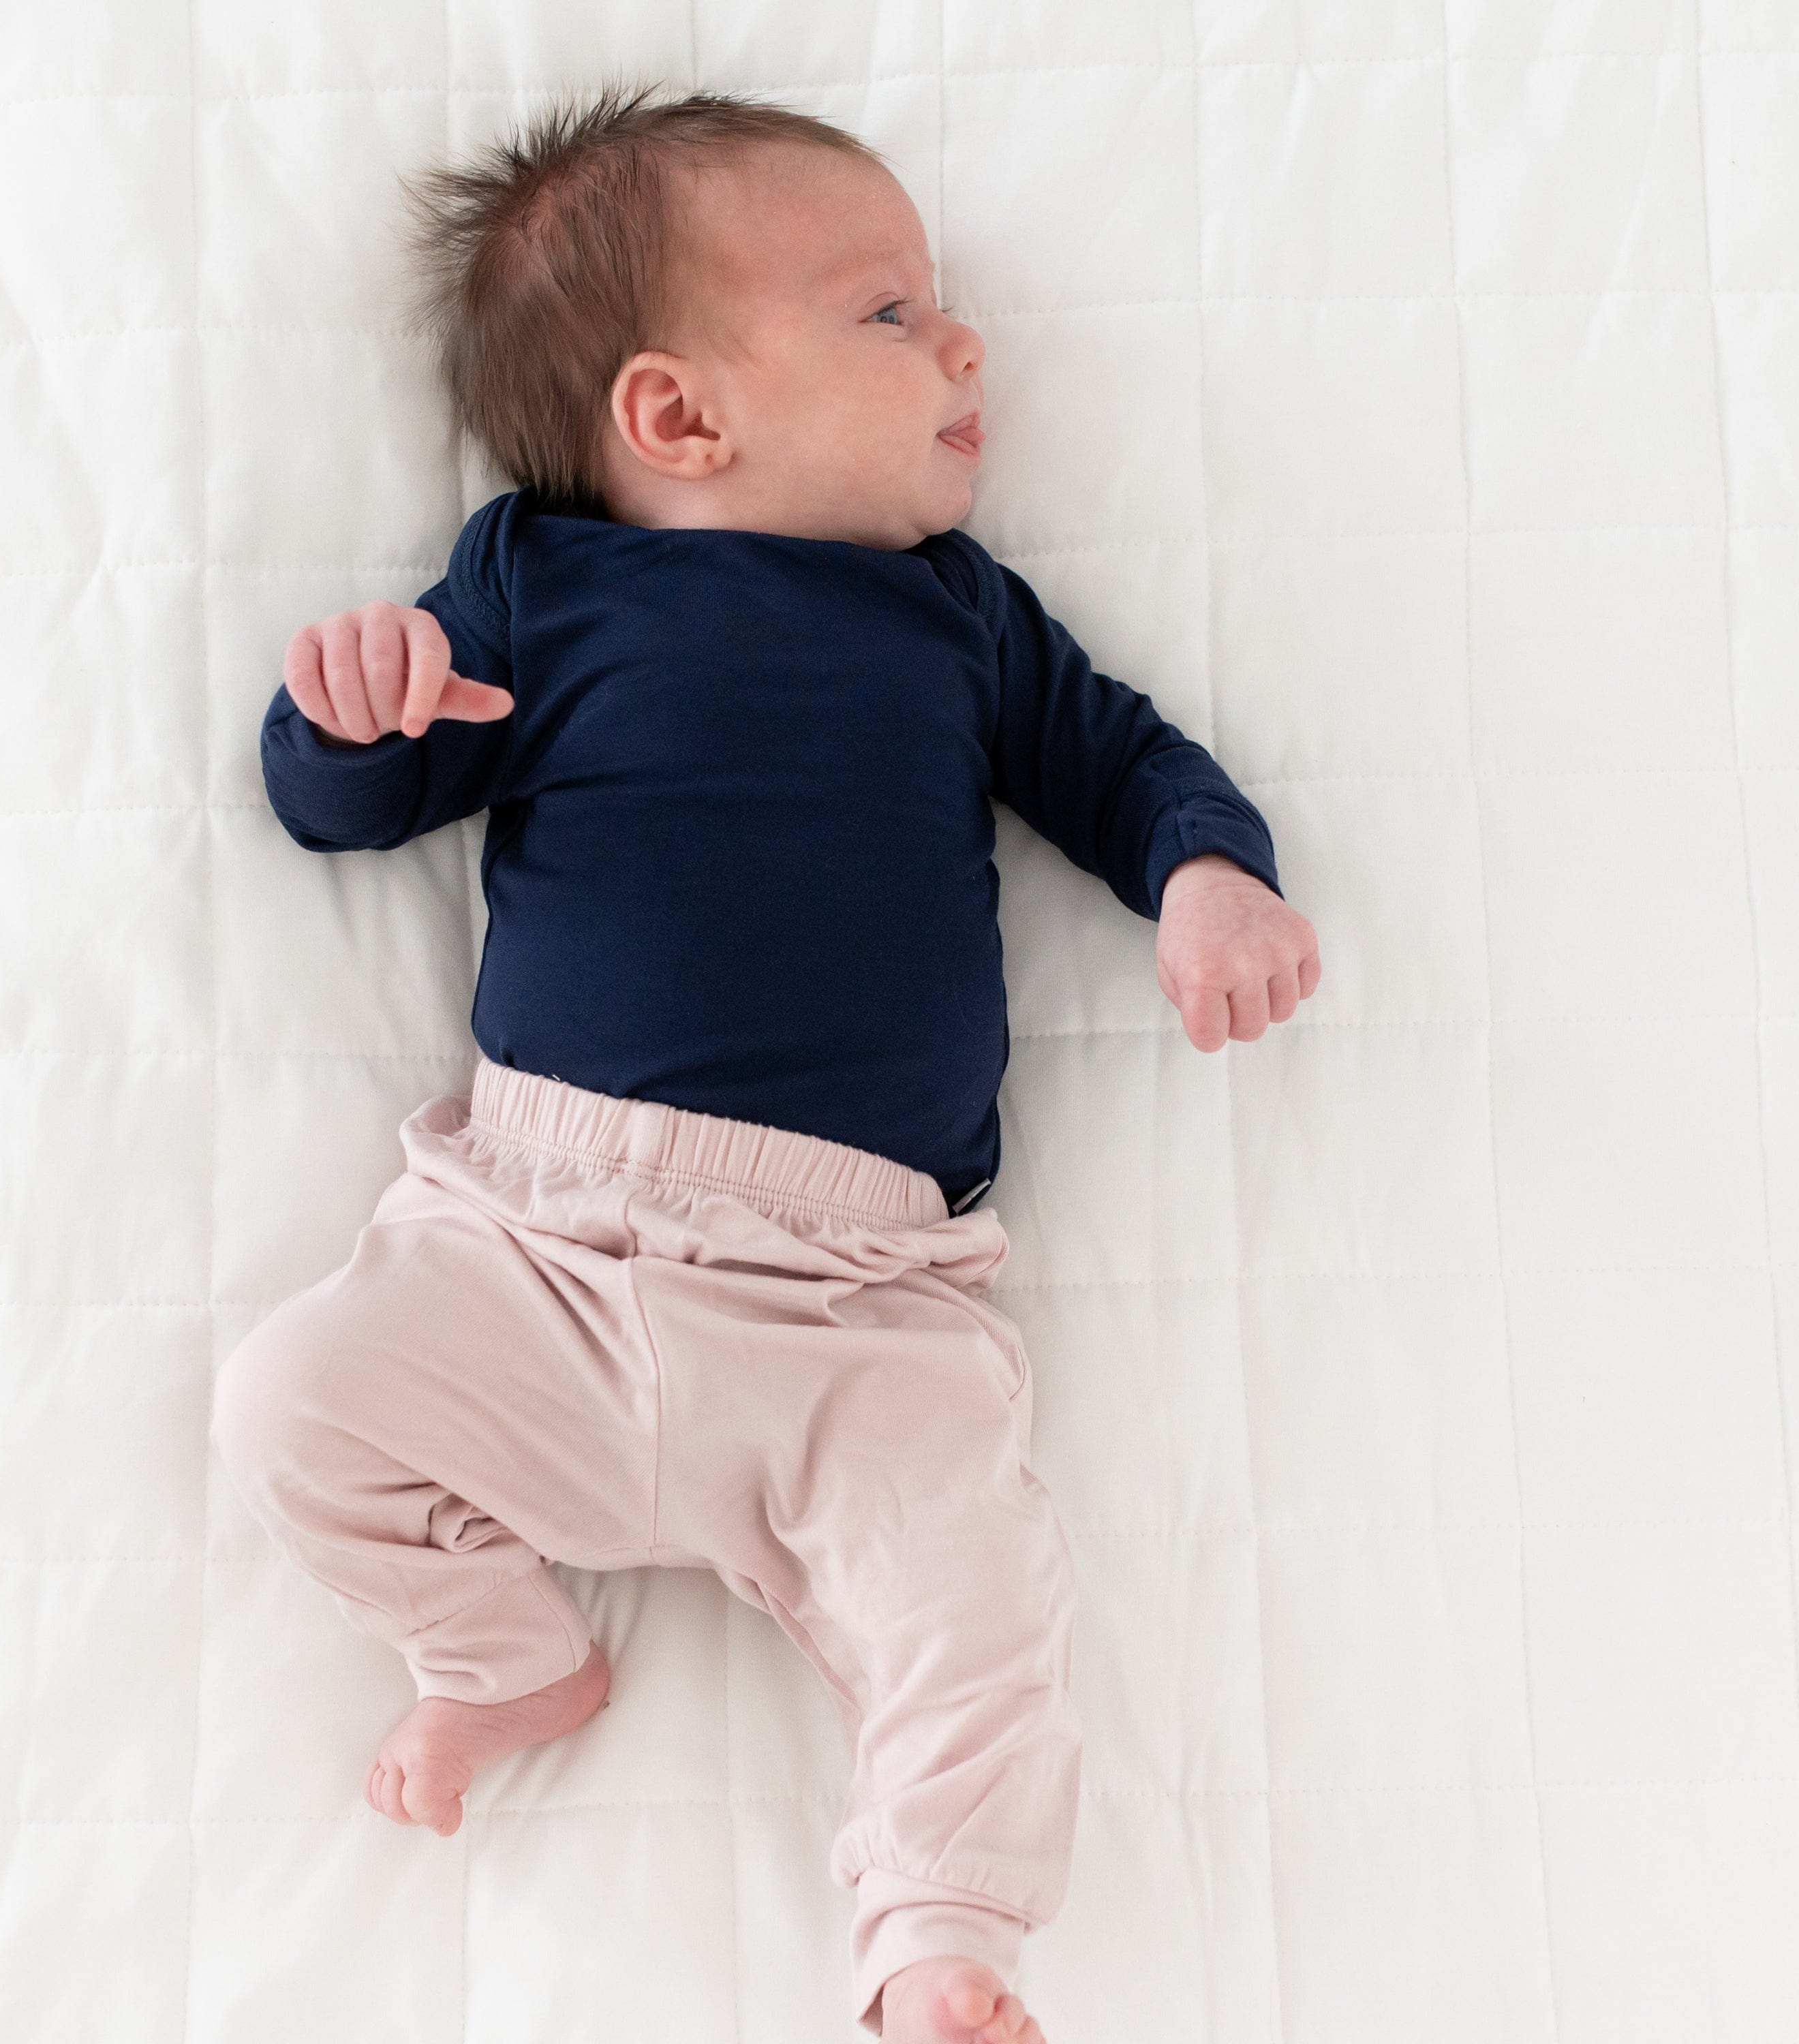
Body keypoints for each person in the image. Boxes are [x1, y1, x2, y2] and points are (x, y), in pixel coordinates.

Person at [212, 78, 1321, 2044]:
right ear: (676, 414)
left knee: (977, 1604)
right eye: (892, 313)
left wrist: (1208, 875)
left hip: (856, 1309)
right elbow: (347, 804)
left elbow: (1122, 758)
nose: (965, 344)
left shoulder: (958, 619)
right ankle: (498, 1654)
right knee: (289, 1402)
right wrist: (354, 715)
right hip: (539, 1250)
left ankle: (938, 1937)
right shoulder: (539, 584)